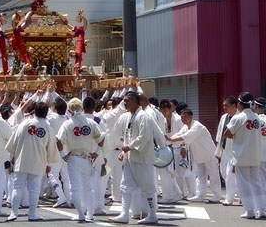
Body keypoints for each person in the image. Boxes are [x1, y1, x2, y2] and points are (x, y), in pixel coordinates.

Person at [108, 92, 158, 225]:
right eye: (124, 100)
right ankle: (124, 214)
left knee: (147, 187)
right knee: (125, 186)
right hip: (130, 157)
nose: (125, 102)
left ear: (137, 102)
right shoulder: (127, 116)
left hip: (143, 158)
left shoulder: (144, 116)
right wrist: (124, 150)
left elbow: (145, 137)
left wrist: (129, 146)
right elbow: (126, 136)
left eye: (128, 100)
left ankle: (152, 214)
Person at [5, 102, 59, 221]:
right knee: (34, 189)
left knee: (17, 186)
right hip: (38, 160)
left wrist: (12, 155)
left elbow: (14, 140)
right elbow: (51, 147)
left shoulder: (25, 123)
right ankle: (32, 213)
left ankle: (13, 213)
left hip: (22, 159)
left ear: (34, 111)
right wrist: (49, 163)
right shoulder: (48, 127)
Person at [56, 98, 105, 222]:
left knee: (75, 187)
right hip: (87, 158)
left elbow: (58, 140)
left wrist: (62, 154)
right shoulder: (90, 122)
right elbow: (101, 138)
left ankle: (80, 214)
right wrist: (97, 153)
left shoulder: (67, 123)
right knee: (88, 187)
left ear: (70, 110)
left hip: (73, 157)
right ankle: (90, 213)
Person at [224, 92, 266, 219]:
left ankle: (250, 210)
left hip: (241, 156)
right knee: (256, 183)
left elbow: (227, 133)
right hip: (255, 156)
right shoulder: (257, 118)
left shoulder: (239, 117)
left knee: (244, 184)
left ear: (240, 104)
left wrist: (235, 135)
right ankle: (262, 210)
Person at [167, 109, 221, 203]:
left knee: (213, 175)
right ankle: (200, 195)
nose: (183, 119)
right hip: (198, 154)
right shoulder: (185, 127)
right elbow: (180, 134)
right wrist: (170, 138)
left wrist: (171, 139)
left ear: (191, 116)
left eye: (185, 117)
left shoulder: (197, 126)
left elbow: (187, 136)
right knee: (201, 176)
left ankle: (216, 196)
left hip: (209, 153)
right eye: (182, 117)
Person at [46, 97, 71, 208]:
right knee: (66, 176)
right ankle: (69, 199)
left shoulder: (52, 117)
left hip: (55, 149)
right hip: (66, 150)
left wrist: (48, 92)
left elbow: (45, 105)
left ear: (55, 108)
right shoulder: (68, 118)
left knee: (52, 174)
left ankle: (61, 197)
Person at [215, 96, 239, 206]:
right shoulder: (224, 117)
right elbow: (220, 133)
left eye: (226, 105)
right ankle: (238, 194)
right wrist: (218, 148)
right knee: (224, 173)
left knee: (230, 174)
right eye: (223, 105)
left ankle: (229, 198)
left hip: (235, 151)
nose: (224, 107)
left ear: (234, 106)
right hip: (224, 149)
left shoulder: (239, 117)